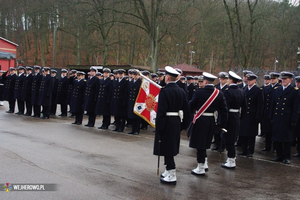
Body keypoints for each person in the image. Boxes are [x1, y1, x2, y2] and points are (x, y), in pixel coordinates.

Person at [153, 66, 191, 185]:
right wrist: (183, 125)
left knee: (167, 147)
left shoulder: (164, 91)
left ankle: (172, 172)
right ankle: (168, 170)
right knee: (169, 146)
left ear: (167, 78)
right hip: (175, 122)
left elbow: (161, 112)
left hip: (167, 122)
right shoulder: (181, 91)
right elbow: (187, 111)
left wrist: (159, 127)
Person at [188, 72, 228, 175]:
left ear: (205, 81)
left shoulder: (199, 92)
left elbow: (191, 106)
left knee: (200, 144)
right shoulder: (219, 93)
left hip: (200, 120)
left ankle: (200, 166)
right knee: (205, 142)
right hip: (211, 120)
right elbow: (224, 111)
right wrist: (221, 124)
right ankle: (204, 162)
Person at [270, 71, 300, 164]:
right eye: (282, 79)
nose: (283, 81)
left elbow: (295, 107)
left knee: (287, 139)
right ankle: (279, 155)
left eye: (285, 79)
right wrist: (271, 116)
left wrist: (293, 120)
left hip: (287, 118)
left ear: (290, 80)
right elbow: (273, 105)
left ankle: (286, 156)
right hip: (277, 117)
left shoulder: (294, 91)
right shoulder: (277, 90)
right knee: (277, 137)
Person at [221, 71, 246, 169]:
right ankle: (231, 159)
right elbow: (245, 107)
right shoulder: (241, 91)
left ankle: (231, 159)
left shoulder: (228, 92)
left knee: (229, 140)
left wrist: (222, 121)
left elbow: (225, 108)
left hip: (229, 117)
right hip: (236, 117)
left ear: (231, 80)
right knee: (232, 139)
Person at [238, 73, 263, 157]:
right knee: (243, 134)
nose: (249, 82)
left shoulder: (258, 90)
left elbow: (260, 105)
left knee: (251, 135)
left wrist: (258, 117)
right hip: (244, 115)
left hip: (252, 115)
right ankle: (244, 149)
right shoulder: (244, 89)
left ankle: (250, 150)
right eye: (248, 80)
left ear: (255, 81)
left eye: (251, 80)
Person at [260, 72, 281, 150]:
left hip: (275, 112)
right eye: (271, 79)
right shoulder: (267, 88)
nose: (272, 80)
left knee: (275, 131)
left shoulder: (279, 88)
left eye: (273, 79)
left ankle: (275, 147)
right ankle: (267, 146)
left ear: (277, 79)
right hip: (267, 112)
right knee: (268, 131)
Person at [212, 72, 229, 152]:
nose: (222, 80)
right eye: (221, 78)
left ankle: (222, 146)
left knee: (222, 128)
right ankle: (217, 144)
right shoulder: (216, 87)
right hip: (216, 110)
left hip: (223, 110)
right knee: (216, 129)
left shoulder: (227, 89)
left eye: (224, 79)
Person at [127, 69, 142, 135]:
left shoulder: (141, 82)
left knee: (137, 117)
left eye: (136, 75)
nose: (135, 76)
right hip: (131, 101)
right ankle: (133, 129)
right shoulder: (131, 82)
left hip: (138, 101)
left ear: (138, 75)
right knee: (132, 116)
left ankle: (137, 129)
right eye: (134, 75)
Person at [293, 76, 300, 158]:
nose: (297, 84)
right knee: (298, 134)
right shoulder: (296, 91)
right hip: (298, 115)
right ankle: (298, 150)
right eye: (297, 82)